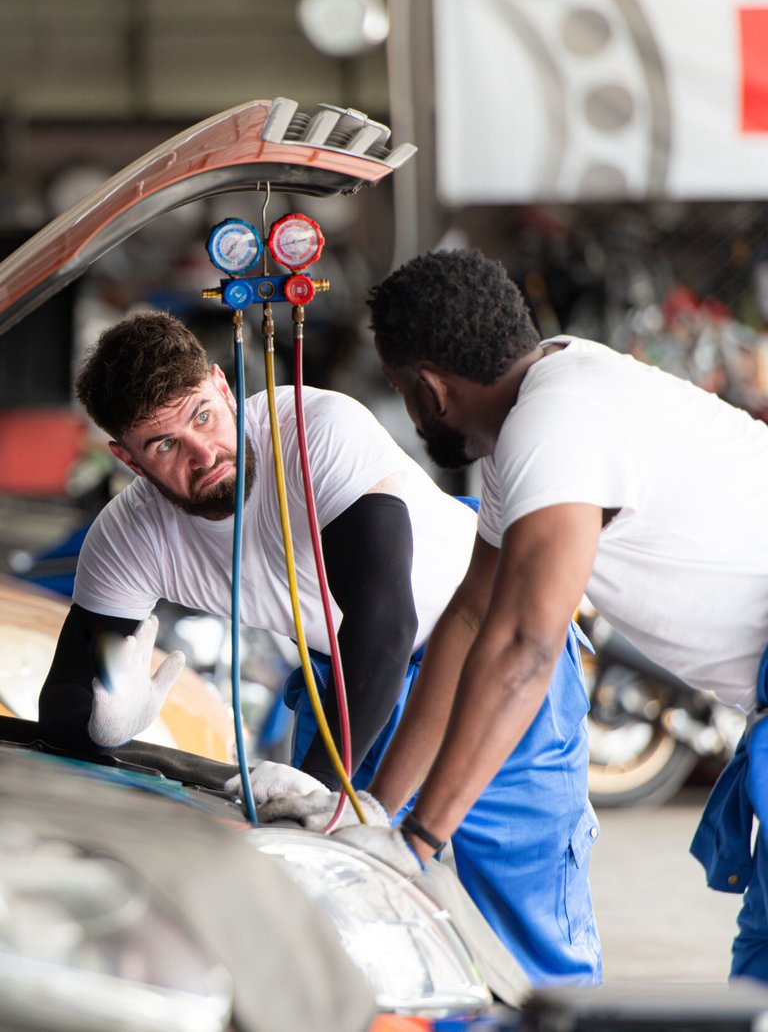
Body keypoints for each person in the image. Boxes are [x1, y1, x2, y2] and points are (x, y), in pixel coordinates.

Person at [36, 310, 601, 985]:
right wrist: (103, 713)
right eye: (163, 445)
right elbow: (72, 691)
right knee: (348, 930)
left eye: (203, 416)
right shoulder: (128, 539)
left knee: (525, 928)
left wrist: (326, 788)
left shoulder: (311, 430)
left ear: (223, 384)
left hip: (488, 652)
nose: (201, 452)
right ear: (125, 457)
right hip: (348, 675)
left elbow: (384, 617)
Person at [356, 247, 768, 982]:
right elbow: (471, 619)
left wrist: (417, 842)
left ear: (427, 389)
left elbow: (523, 646)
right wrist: (373, 815)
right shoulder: (548, 408)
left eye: (400, 389)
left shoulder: (556, 421)